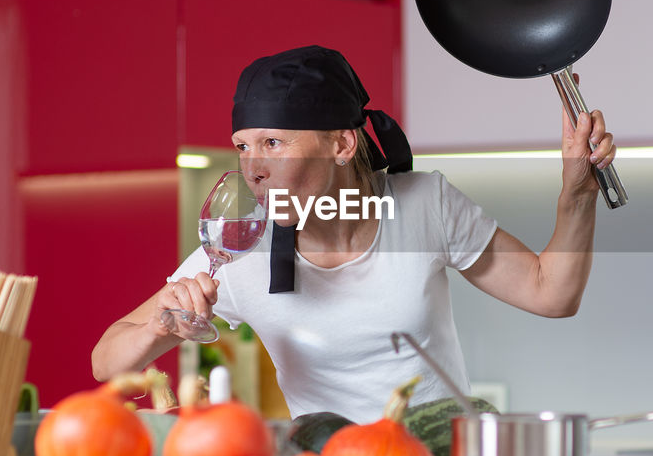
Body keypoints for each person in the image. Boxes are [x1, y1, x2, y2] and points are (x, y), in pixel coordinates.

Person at [91, 45, 616, 422]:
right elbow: (105, 359)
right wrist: (159, 329)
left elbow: (553, 293)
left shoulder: (423, 204)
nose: (252, 168)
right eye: (243, 146)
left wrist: (578, 193)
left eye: (273, 143)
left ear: (342, 145)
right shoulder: (237, 252)